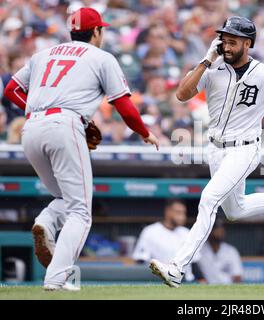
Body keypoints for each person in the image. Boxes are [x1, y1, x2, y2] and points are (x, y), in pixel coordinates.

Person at [149, 16, 264, 288]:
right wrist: (205, 60)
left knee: (208, 200)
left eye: (232, 41)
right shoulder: (213, 67)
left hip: (244, 149)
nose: (226, 46)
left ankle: (177, 268)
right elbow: (182, 95)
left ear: (247, 43)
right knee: (235, 210)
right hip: (215, 150)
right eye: (224, 40)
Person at [2, 7, 159, 291]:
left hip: (31, 128)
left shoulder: (43, 54)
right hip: (65, 124)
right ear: (96, 31)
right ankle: (56, 278)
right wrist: (144, 132)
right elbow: (123, 105)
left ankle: (46, 221)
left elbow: (11, 89)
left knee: (65, 198)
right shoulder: (101, 57)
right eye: (102, 29)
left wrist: (40, 112)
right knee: (80, 211)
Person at [133, 199, 204, 282]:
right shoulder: (150, 231)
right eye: (178, 212)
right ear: (168, 212)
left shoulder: (187, 233)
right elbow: (140, 260)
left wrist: (201, 279)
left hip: (186, 281)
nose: (182, 216)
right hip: (160, 280)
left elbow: (194, 262)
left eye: (183, 213)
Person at [197, 219, 243, 284]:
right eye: (217, 228)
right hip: (206, 289)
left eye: (222, 228)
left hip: (227, 289)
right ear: (209, 231)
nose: (220, 231)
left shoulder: (231, 251)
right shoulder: (199, 250)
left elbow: (238, 276)